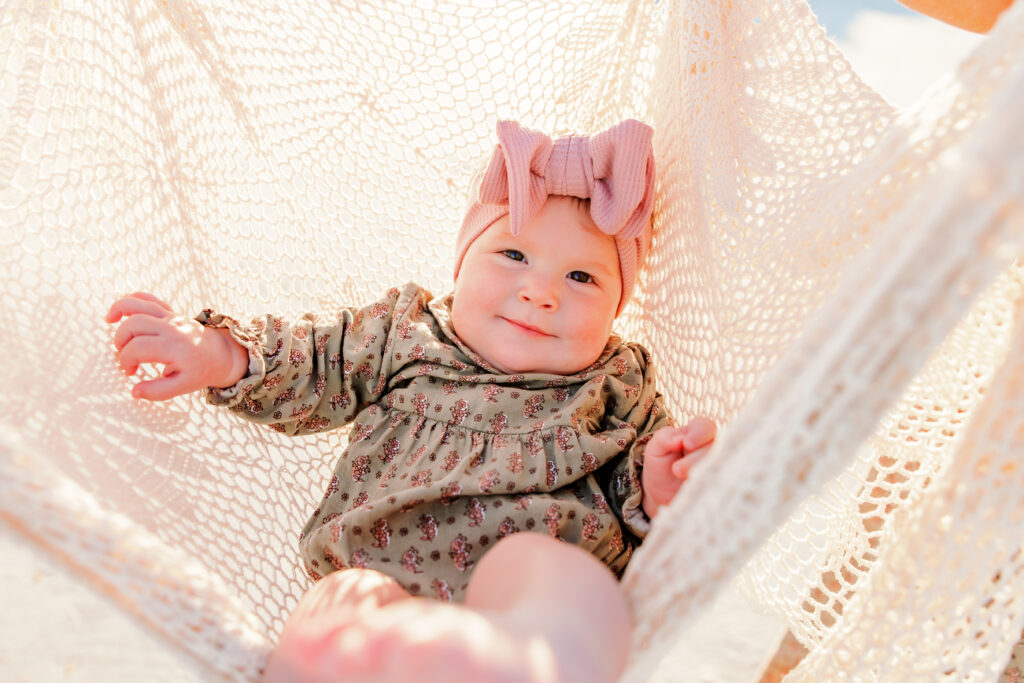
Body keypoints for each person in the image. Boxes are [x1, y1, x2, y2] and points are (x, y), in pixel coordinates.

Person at [106, 119, 717, 683]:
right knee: (336, 601)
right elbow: (316, 361)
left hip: (524, 594)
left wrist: (661, 487)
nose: (540, 292)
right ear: (461, 264)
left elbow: (633, 490)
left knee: (556, 572)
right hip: (376, 572)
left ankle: (526, 665)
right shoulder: (405, 332)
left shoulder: (616, 382)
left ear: (616, 308)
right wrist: (219, 353)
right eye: (513, 254)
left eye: (581, 277)